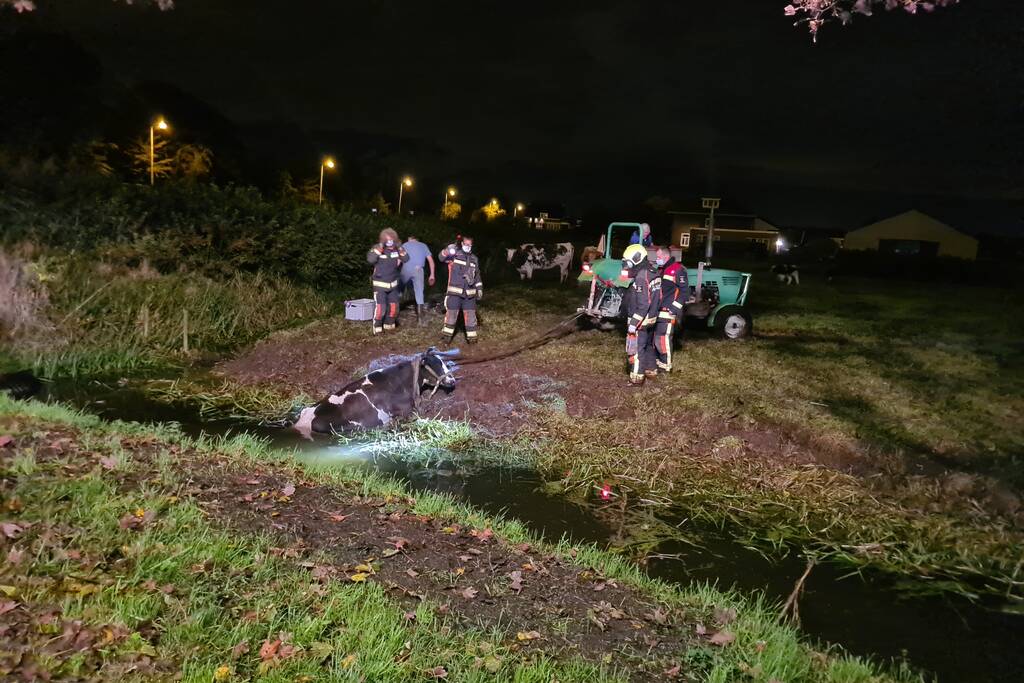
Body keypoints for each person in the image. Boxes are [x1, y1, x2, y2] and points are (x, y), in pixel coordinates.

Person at [621, 244, 660, 385]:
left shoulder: (641, 277)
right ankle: (651, 370)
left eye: (628, 262)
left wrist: (633, 324)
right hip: (651, 319)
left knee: (636, 350)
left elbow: (643, 304)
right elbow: (657, 297)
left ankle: (636, 378)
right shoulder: (653, 272)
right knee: (648, 345)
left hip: (641, 321)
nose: (626, 265)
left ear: (636, 259)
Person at [438, 235, 483, 343]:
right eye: (465, 244)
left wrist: (479, 288)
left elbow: (477, 275)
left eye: (470, 244)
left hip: (470, 295)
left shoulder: (474, 259)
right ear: (462, 244)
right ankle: (446, 340)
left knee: (471, 318)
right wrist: (447, 250)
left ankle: (472, 341)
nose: (468, 246)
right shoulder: (454, 255)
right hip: (454, 293)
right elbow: (441, 257)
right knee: (451, 317)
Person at [366, 228, 409, 334]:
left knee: (394, 307)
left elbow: (406, 259)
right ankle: (377, 328)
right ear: (383, 239)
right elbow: (370, 260)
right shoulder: (378, 248)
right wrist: (380, 247)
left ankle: (389, 325)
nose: (390, 242)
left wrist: (400, 248)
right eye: (387, 240)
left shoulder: (396, 249)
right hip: (380, 284)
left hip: (393, 285)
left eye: (392, 239)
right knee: (381, 308)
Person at [653, 246, 688, 373]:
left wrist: (674, 308)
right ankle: (658, 363)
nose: (657, 259)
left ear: (666, 256)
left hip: (668, 311)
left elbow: (685, 292)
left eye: (658, 257)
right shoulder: (662, 269)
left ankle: (666, 367)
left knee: (663, 338)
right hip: (658, 310)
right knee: (656, 339)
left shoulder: (677, 270)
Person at [400, 235, 436, 325]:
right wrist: (432, 275)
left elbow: (399, 259)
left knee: (398, 290)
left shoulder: (405, 245)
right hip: (418, 270)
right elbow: (431, 261)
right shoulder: (423, 246)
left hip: (406, 270)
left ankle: (393, 314)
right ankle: (420, 320)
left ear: (410, 239)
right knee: (419, 293)